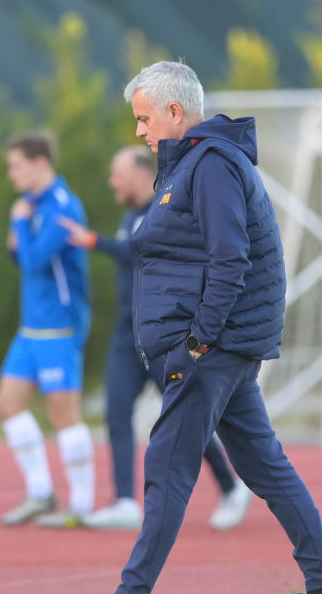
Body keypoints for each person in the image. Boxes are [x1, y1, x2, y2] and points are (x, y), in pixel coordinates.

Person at [51, 62, 322, 594]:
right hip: (227, 348)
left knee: (166, 467)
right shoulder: (196, 164)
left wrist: (197, 340)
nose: (140, 132)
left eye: (145, 119)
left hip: (212, 349)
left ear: (175, 112)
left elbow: (230, 256)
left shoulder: (210, 164)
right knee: (265, 468)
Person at [58, 145, 251, 531]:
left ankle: (231, 486)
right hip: (126, 335)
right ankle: (125, 501)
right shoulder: (129, 215)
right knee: (115, 413)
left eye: (118, 175)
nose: (112, 182)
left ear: (141, 175)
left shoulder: (168, 211)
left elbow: (142, 253)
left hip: (164, 336)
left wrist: (93, 241)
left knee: (187, 418)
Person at [0, 130, 94, 528]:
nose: (11, 175)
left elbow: (35, 260)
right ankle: (41, 493)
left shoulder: (62, 207)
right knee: (6, 405)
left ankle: (81, 506)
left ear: (40, 163)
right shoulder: (33, 205)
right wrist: (16, 237)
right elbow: (24, 261)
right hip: (32, 327)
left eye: (16, 166)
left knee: (63, 414)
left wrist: (18, 227)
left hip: (59, 327)